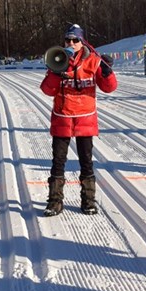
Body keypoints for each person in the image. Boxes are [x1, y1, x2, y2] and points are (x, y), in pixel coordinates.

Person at [40, 24, 117, 216]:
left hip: (85, 117)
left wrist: (108, 73)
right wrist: (55, 73)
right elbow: (47, 90)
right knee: (58, 161)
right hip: (62, 117)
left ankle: (89, 201)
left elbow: (109, 88)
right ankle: (55, 201)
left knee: (86, 161)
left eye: (75, 40)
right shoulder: (58, 58)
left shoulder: (92, 61)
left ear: (82, 41)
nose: (71, 43)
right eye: (68, 40)